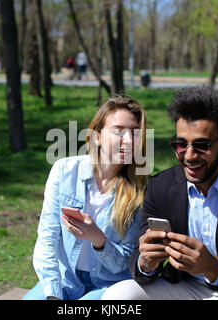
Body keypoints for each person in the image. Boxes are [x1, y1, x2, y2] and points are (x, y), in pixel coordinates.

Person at [102, 86, 218, 300]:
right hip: (183, 289)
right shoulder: (160, 186)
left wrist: (214, 268)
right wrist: (146, 262)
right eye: (181, 145)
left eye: (202, 145)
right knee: (119, 296)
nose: (189, 156)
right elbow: (139, 262)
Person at [23, 95, 149, 300]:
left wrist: (98, 239)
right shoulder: (64, 171)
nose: (128, 140)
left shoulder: (139, 191)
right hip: (66, 280)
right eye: (118, 131)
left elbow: (124, 263)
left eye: (135, 133)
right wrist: (53, 294)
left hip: (109, 285)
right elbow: (47, 240)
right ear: (97, 136)